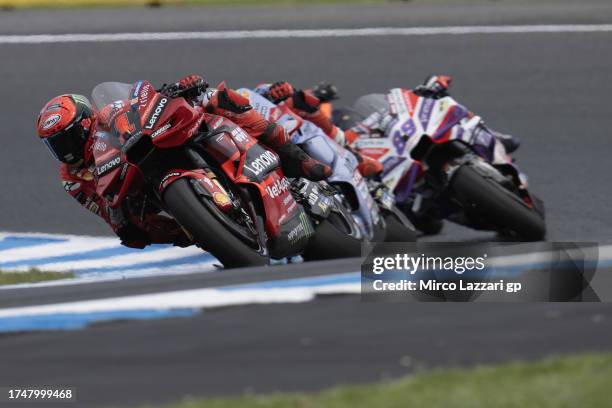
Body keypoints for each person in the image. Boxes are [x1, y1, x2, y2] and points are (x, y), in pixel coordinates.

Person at [36, 75, 331, 249]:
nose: (65, 150)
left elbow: (136, 107)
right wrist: (123, 225)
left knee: (215, 98)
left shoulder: (106, 115)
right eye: (55, 145)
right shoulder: (71, 178)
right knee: (138, 232)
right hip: (139, 191)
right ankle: (207, 231)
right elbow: (103, 211)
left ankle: (296, 157)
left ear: (85, 122)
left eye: (68, 137)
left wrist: (178, 89)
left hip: (152, 142)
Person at [254, 81, 385, 178]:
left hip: (309, 135)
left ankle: (357, 159)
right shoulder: (256, 100)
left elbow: (328, 127)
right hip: (274, 144)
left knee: (338, 138)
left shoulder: (303, 101)